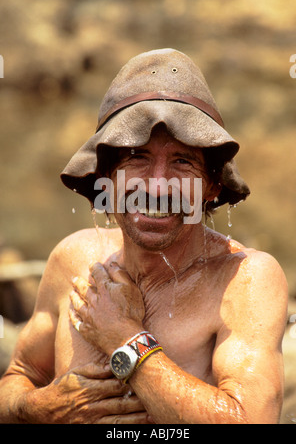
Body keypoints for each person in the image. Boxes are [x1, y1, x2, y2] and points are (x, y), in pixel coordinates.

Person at [0, 49, 288, 424]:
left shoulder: (245, 280)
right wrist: (42, 406)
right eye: (136, 157)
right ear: (105, 178)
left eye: (182, 161)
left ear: (212, 186)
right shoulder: (73, 259)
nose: (156, 186)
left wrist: (125, 338)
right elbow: (18, 377)